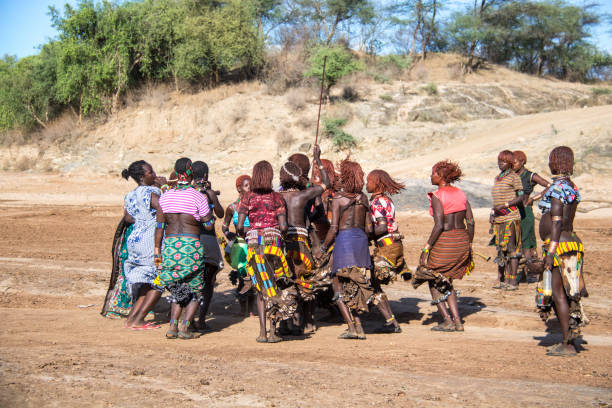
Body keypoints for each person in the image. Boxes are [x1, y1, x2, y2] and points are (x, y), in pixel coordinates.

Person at [318, 158, 399, 339]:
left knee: (339, 288)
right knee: (357, 284)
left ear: (345, 177)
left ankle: (354, 328)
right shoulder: (363, 198)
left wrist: (323, 248)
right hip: (361, 243)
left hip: (344, 243)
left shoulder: (338, 198)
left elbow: (334, 228)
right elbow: (369, 228)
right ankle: (364, 325)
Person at [153, 157, 215, 339]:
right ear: (191, 173)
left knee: (177, 287)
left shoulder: (165, 196)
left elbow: (159, 227)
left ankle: (172, 327)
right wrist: (208, 215)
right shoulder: (198, 196)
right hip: (191, 246)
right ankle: (185, 327)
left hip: (170, 246)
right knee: (195, 289)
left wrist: (157, 251)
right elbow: (209, 225)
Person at [537, 146, 587, 357]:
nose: (549, 164)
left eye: (551, 160)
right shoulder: (570, 186)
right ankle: (569, 337)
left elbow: (557, 223)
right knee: (569, 293)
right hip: (572, 242)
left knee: (559, 294)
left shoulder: (557, 188)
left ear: (555, 163)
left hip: (560, 245)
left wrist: (550, 252)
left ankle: (567, 344)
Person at [414, 161, 475, 332]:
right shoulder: (461, 194)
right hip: (461, 239)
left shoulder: (437, 196)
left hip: (445, 240)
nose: (430, 176)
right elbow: (470, 221)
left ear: (440, 176)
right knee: (446, 279)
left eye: (433, 173)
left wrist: (426, 247)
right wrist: (468, 243)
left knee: (431, 277)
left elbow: (439, 225)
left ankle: (447, 320)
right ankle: (458, 321)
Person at [237, 161, 293, 343]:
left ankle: (262, 332)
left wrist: (250, 233)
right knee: (274, 285)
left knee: (261, 287)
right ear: (270, 177)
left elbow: (239, 226)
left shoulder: (247, 198)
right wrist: (278, 231)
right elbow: (284, 226)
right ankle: (273, 331)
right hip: (273, 244)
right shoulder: (276, 197)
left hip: (254, 244)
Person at [279, 145, 330, 334]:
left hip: (283, 245)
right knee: (306, 280)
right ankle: (308, 322)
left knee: (285, 280)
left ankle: (286, 321)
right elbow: (326, 186)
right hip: (303, 243)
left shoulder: (277, 197)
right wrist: (318, 160)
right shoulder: (305, 192)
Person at [121, 160, 165, 330]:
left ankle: (131, 319)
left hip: (134, 240)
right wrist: (163, 189)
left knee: (146, 283)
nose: (154, 175)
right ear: (141, 177)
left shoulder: (131, 195)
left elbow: (127, 218)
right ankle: (139, 320)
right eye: (150, 172)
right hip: (149, 240)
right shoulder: (151, 192)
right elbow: (163, 208)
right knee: (160, 281)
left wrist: (142, 219)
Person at [191, 161, 224, 331]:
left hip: (190, 239)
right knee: (208, 283)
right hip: (207, 240)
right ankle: (201, 319)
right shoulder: (208, 193)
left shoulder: (187, 192)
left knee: (190, 282)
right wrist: (212, 196)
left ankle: (187, 319)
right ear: (205, 175)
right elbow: (220, 213)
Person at [512, 151, 550, 276]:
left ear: (522, 162)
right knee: (513, 242)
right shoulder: (510, 175)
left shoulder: (530, 175)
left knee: (526, 242)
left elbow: (550, 186)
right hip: (512, 212)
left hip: (525, 212)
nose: (513, 165)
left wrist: (534, 198)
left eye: (515, 162)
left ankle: (531, 272)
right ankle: (517, 273)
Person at [490, 150, 524, 290]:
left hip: (510, 217)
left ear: (510, 163)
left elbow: (521, 196)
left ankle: (513, 281)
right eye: (499, 161)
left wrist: (506, 205)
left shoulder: (514, 177)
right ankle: (502, 279)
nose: (500, 164)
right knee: (501, 249)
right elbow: (496, 199)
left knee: (512, 249)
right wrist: (492, 213)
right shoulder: (497, 178)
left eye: (503, 161)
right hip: (499, 218)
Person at [222, 175, 254, 316]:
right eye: (247, 186)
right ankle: (243, 310)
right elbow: (224, 227)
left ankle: (252, 310)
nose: (250, 188)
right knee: (243, 276)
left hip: (254, 244)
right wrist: (229, 235)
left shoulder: (255, 205)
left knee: (254, 276)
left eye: (251, 185)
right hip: (240, 246)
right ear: (239, 188)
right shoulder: (232, 207)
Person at [101, 218, 134, 319]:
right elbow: (129, 217)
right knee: (127, 271)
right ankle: (120, 306)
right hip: (138, 234)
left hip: (138, 233)